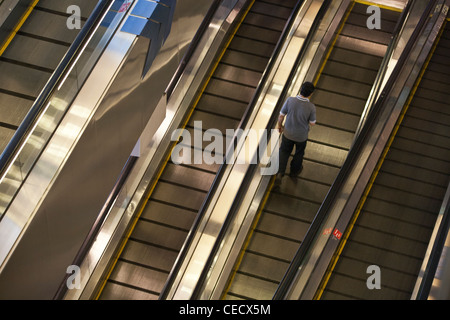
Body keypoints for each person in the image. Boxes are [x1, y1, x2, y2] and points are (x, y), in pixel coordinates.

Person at [275, 81, 316, 187]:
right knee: (299, 153)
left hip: (288, 133)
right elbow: (312, 123)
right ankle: (294, 172)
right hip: (301, 136)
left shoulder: (290, 100)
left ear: (300, 90)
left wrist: (280, 126)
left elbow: (281, 116)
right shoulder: (311, 107)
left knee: (284, 151)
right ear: (311, 94)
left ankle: (280, 172)